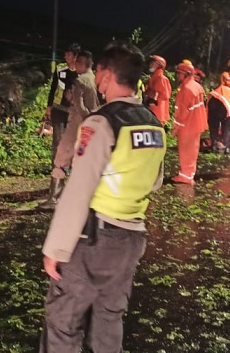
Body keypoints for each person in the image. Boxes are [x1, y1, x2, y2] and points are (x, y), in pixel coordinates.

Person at [40, 41, 166, 352]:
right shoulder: (154, 124)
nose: (97, 78)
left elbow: (79, 189)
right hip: (131, 238)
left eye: (98, 72)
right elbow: (156, 181)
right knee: (109, 322)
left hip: (95, 238)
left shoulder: (101, 122)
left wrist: (55, 247)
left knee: (62, 322)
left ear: (107, 76)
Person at [47, 50, 99, 199]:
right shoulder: (94, 79)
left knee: (62, 155)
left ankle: (55, 197)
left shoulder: (80, 81)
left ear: (81, 64)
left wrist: (72, 99)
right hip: (92, 125)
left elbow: (79, 105)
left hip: (77, 122)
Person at [39, 43, 80, 208]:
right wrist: (48, 109)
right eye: (66, 54)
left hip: (75, 115)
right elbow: (53, 89)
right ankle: (55, 192)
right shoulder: (60, 70)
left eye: (69, 54)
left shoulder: (82, 73)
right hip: (59, 112)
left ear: (76, 56)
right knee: (57, 148)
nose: (66, 57)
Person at [171, 62, 208, 184]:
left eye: (179, 73)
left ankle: (185, 176)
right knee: (192, 151)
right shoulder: (197, 86)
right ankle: (188, 174)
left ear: (186, 74)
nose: (178, 76)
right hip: (197, 124)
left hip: (188, 125)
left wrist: (176, 127)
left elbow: (182, 111)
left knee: (185, 151)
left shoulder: (186, 89)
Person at [207, 72, 230, 152]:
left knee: (214, 126)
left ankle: (214, 144)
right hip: (226, 108)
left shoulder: (218, 90)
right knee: (226, 127)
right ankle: (225, 145)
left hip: (213, 105)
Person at [144, 55, 170, 123]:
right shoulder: (153, 78)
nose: (150, 65)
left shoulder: (162, 79)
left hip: (158, 114)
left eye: (153, 63)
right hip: (151, 111)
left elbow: (165, 96)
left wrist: (150, 94)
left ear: (159, 66)